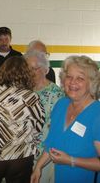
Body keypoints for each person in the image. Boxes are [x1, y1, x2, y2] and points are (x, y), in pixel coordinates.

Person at [31, 55, 100, 183]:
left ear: (91, 83)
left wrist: (71, 160)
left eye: (80, 78)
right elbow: (51, 143)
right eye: (69, 77)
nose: (72, 82)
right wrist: (38, 167)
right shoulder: (61, 105)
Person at [0, 56, 45, 183]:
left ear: (2, 72)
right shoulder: (32, 97)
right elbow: (38, 127)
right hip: (21, 156)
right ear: (27, 74)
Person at [24, 50, 64, 183]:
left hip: (45, 155)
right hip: (23, 154)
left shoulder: (56, 95)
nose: (29, 72)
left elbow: (58, 130)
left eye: (34, 69)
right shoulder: (23, 91)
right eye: (27, 68)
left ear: (45, 70)